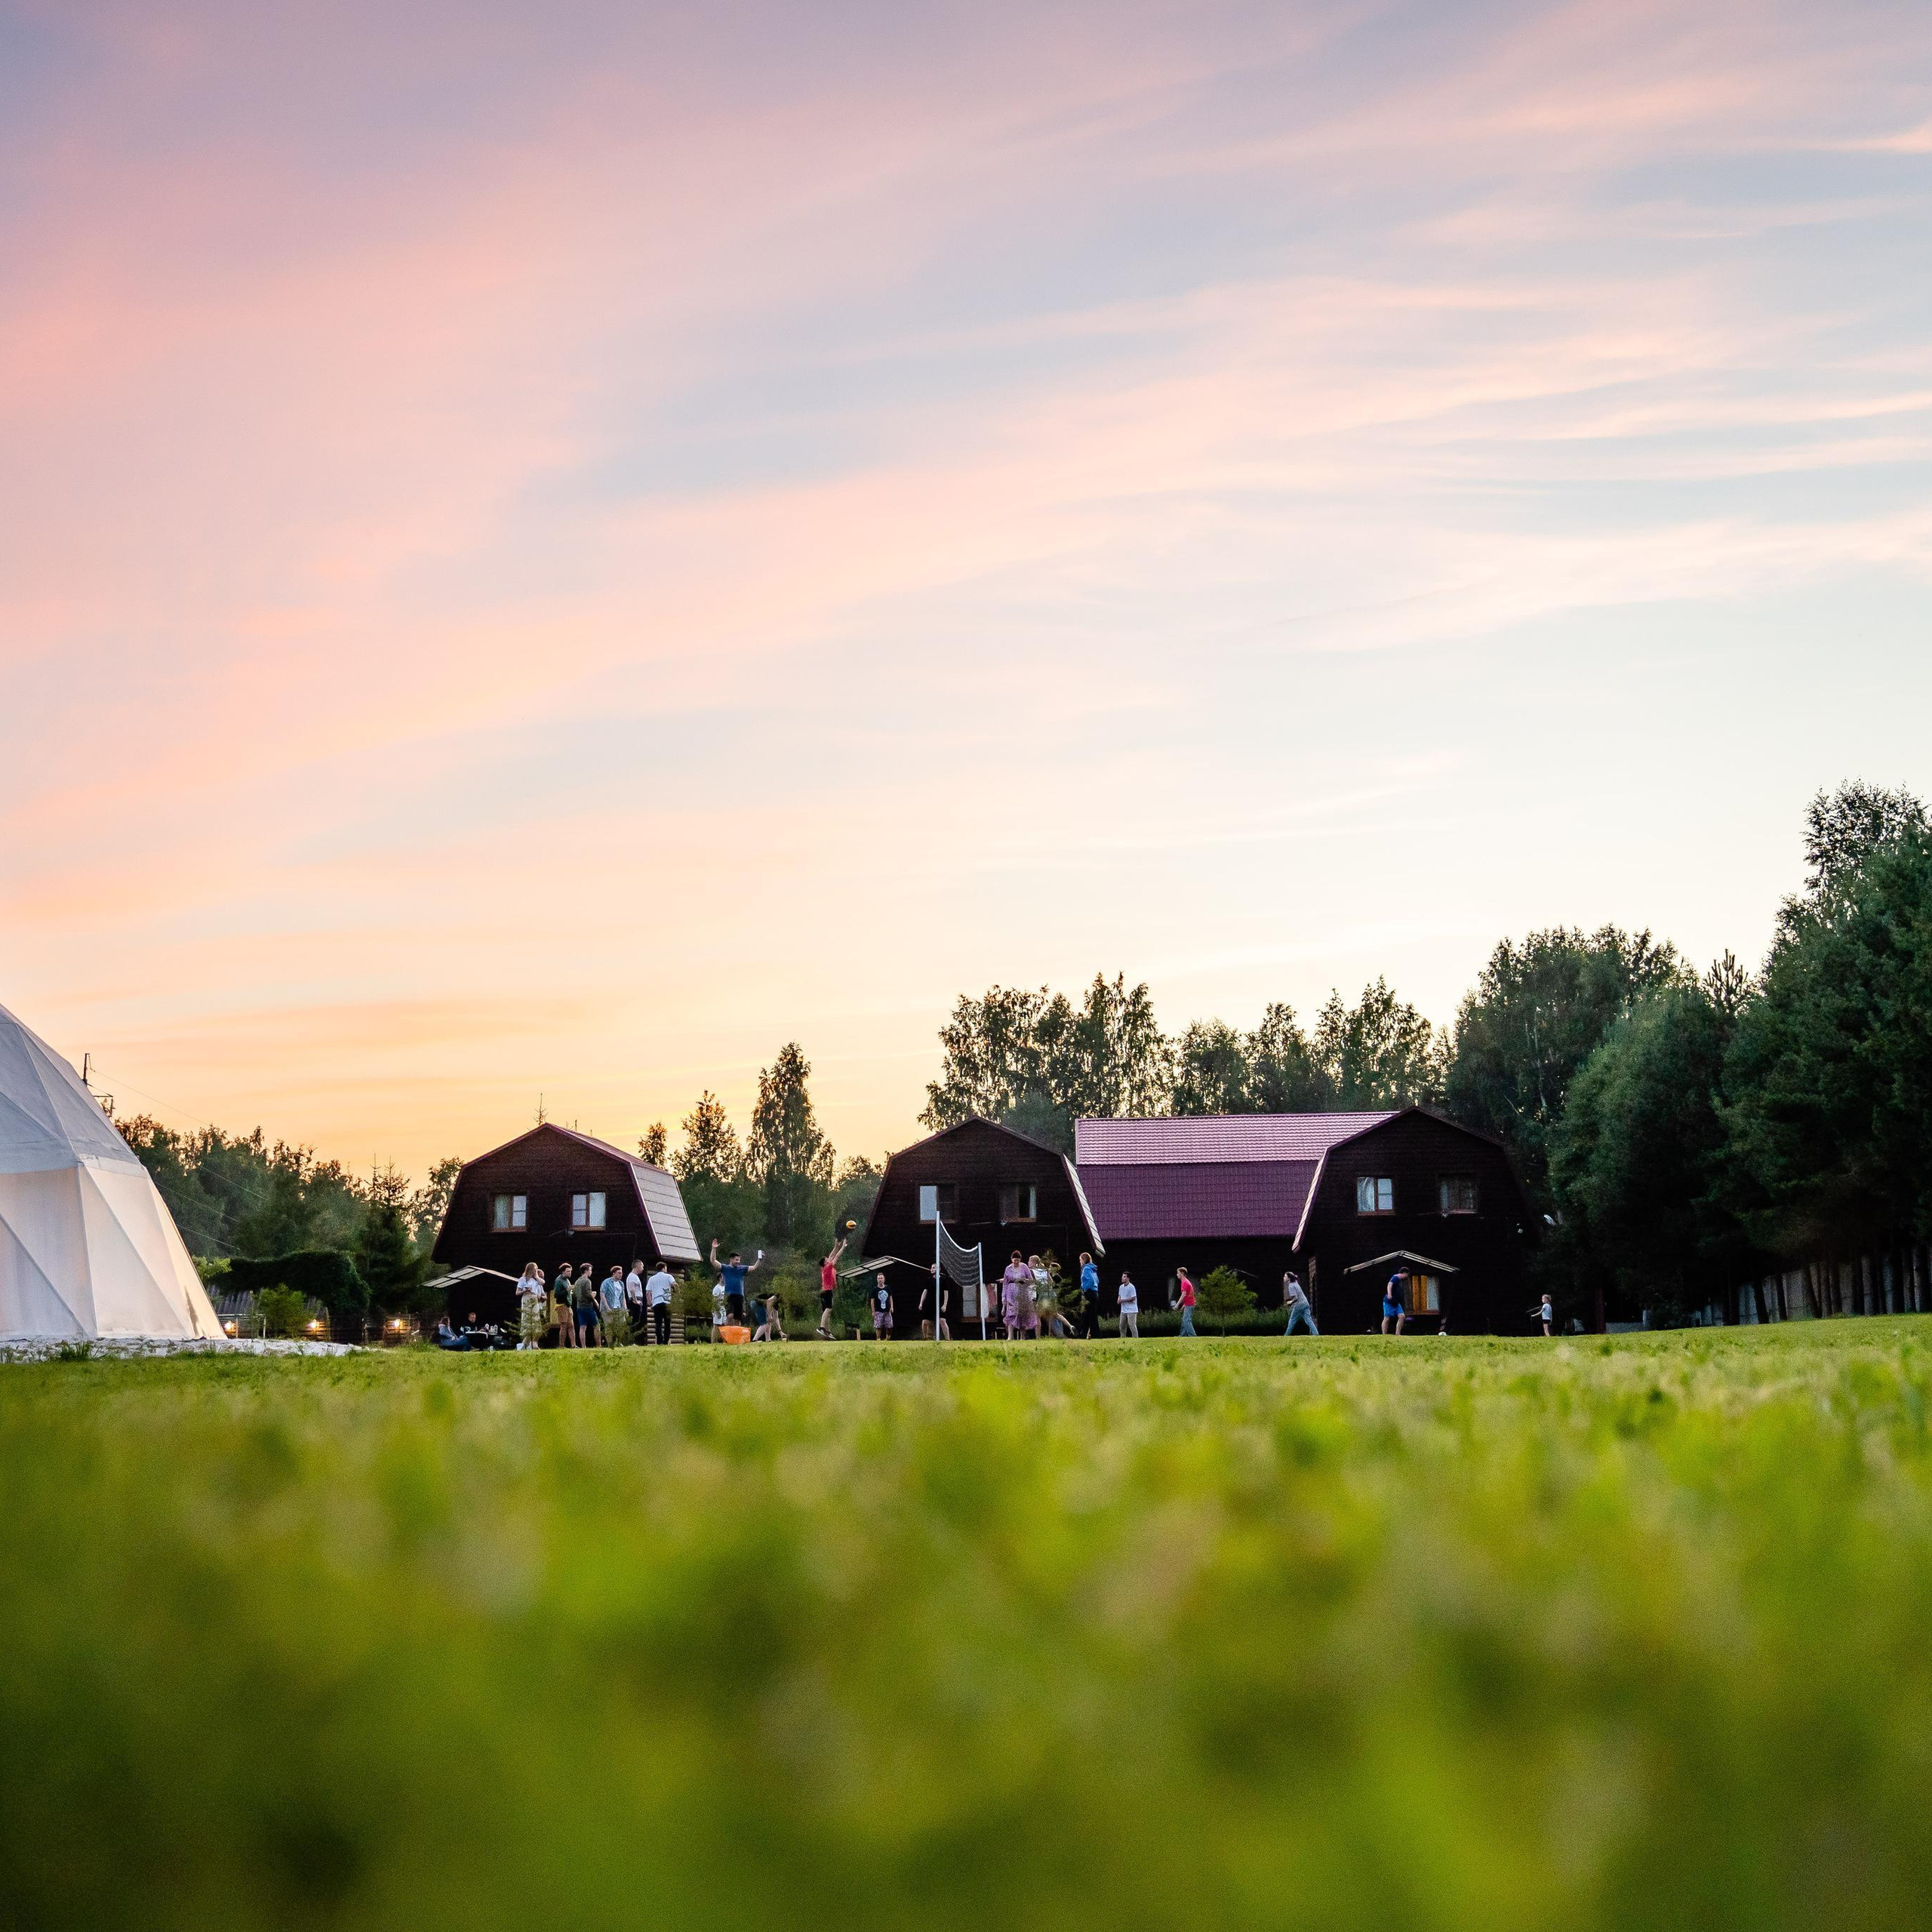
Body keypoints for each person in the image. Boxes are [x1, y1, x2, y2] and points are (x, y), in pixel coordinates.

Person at [711, 1238, 762, 1327]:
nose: (738, 1262)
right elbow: (713, 1261)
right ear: (731, 1260)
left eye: (739, 1260)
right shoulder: (725, 1268)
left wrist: (759, 1260)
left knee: (738, 1317)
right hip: (729, 1295)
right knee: (730, 1316)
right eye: (736, 1260)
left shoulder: (742, 1269)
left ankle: (737, 1337)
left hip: (739, 1296)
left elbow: (754, 1267)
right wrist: (714, 1249)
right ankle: (727, 1335)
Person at [817, 1235, 848, 1339]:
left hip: (824, 1291)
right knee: (828, 1309)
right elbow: (837, 1257)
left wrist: (836, 1247)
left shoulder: (824, 1267)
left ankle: (828, 1331)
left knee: (827, 1311)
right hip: (827, 1291)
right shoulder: (828, 1267)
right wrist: (843, 1247)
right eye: (827, 1259)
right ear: (825, 1262)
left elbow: (832, 1255)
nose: (829, 1259)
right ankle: (821, 1327)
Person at [645, 1259, 676, 1346]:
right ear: (664, 1268)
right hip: (667, 1302)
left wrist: (650, 1303)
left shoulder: (652, 1279)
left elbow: (648, 1292)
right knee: (667, 1323)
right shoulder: (669, 1276)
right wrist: (675, 1292)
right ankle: (666, 1341)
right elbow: (674, 1285)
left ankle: (660, 1341)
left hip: (657, 1303)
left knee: (658, 1323)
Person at [516, 1263, 548, 1348]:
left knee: (536, 1319)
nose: (535, 1271)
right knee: (527, 1319)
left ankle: (534, 1341)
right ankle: (526, 1342)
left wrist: (537, 1276)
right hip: (526, 1297)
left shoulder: (536, 1280)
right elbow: (517, 1292)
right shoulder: (522, 1279)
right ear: (530, 1269)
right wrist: (524, 1291)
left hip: (534, 1298)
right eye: (534, 1269)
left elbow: (543, 1282)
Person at [1001, 1251, 1029, 1340]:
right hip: (1011, 1292)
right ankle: (1010, 1336)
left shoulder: (1024, 1267)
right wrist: (1003, 1297)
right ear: (1012, 1260)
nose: (1016, 1262)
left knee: (1021, 1314)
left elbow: (1030, 1279)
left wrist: (1023, 1280)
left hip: (1022, 1291)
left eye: (1018, 1260)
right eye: (1015, 1260)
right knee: (1010, 1313)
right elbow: (1005, 1283)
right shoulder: (1008, 1268)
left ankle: (1022, 1336)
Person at [573, 1263, 601, 1348]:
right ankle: (598, 1345)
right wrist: (594, 1298)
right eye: (590, 1270)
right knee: (597, 1326)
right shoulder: (587, 1281)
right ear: (586, 1271)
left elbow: (574, 1294)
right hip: (588, 1307)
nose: (591, 1272)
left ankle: (583, 1346)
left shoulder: (577, 1281)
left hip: (579, 1307)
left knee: (582, 1327)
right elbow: (588, 1294)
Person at [1283, 1269, 1318, 1337]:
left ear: (1289, 1279)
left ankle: (1286, 1336)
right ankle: (1316, 1334)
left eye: (1285, 1277)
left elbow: (1296, 1298)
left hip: (1299, 1305)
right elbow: (1295, 1278)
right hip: (1306, 1303)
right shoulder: (1295, 1283)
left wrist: (1290, 1302)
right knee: (1309, 1321)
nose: (1284, 1278)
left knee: (1292, 1321)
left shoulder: (1291, 1286)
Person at [600, 1264, 628, 1340]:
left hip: (618, 1307)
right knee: (609, 1326)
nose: (621, 1274)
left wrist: (625, 1309)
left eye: (621, 1273)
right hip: (608, 1307)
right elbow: (602, 1295)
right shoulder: (606, 1282)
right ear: (614, 1273)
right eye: (619, 1273)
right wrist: (607, 1307)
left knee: (622, 1324)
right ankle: (610, 1344)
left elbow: (622, 1298)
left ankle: (618, 1342)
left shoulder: (621, 1284)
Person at [551, 1264, 576, 1348]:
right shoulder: (559, 1280)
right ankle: (561, 1346)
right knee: (564, 1326)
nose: (570, 1273)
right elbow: (556, 1294)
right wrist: (567, 1290)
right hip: (562, 1305)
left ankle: (573, 1345)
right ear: (563, 1272)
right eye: (568, 1271)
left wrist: (571, 1291)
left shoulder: (567, 1280)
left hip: (568, 1305)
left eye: (570, 1271)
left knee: (571, 1326)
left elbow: (569, 1293)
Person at [1077, 1252, 1100, 1340]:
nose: (1080, 1262)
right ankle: (1093, 1334)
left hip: (1089, 1293)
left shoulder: (1086, 1268)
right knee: (1091, 1314)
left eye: (1080, 1260)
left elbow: (1090, 1281)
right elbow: (1097, 1280)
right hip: (1094, 1293)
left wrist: (1084, 1288)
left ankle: (1085, 1334)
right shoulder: (1093, 1268)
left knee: (1086, 1314)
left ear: (1083, 1260)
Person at [1383, 1269, 1409, 1336]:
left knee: (1402, 1316)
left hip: (1396, 1303)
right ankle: (1384, 1335)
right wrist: (1389, 1294)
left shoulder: (1400, 1280)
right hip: (1389, 1302)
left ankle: (1398, 1334)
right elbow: (1389, 1284)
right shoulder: (1395, 1278)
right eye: (1407, 1275)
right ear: (1404, 1273)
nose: (1407, 1276)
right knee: (1387, 1318)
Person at [625, 1260, 647, 1339]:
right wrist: (635, 1300)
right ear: (638, 1266)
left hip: (636, 1299)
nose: (643, 1269)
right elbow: (632, 1289)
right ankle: (632, 1339)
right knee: (635, 1321)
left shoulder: (634, 1276)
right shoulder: (633, 1276)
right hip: (635, 1300)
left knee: (636, 1321)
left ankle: (633, 1339)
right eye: (642, 1266)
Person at [870, 1272, 894, 1340]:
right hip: (878, 1310)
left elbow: (890, 1298)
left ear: (884, 1279)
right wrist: (873, 1311)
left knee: (889, 1326)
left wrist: (892, 1307)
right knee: (878, 1326)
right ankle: (878, 1339)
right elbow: (872, 1301)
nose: (880, 1280)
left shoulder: (888, 1288)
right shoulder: (875, 1289)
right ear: (877, 1280)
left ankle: (888, 1338)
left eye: (881, 1278)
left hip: (887, 1310)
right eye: (879, 1278)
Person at [1176, 1264, 1197, 1338]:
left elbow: (1184, 1294)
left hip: (1189, 1304)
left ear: (1182, 1274)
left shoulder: (1184, 1282)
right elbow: (1189, 1294)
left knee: (1187, 1320)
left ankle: (1193, 1336)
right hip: (1189, 1303)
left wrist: (1177, 1305)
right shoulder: (1186, 1281)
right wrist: (1184, 1305)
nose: (1177, 1274)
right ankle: (1183, 1335)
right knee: (1184, 1320)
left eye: (1178, 1273)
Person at [1117, 1271, 1140, 1339]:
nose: (1122, 1278)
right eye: (1122, 1276)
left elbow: (1133, 1298)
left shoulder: (1131, 1287)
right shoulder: (1121, 1287)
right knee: (1122, 1325)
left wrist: (1123, 1300)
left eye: (1124, 1277)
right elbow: (1120, 1295)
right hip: (1123, 1310)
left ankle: (1136, 1339)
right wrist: (1119, 1300)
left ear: (1128, 1278)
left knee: (1132, 1325)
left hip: (1131, 1310)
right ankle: (1123, 1338)